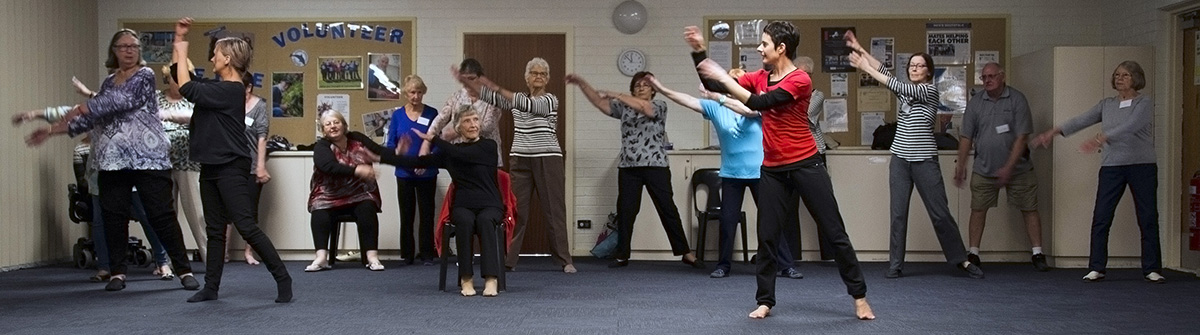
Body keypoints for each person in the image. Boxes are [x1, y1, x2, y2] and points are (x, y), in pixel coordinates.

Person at [689, 22, 874, 320]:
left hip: (806, 163)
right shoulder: (760, 76)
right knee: (768, 236)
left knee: (834, 231)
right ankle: (765, 300)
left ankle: (860, 296)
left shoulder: (799, 80)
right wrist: (699, 53)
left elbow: (762, 102)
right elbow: (713, 85)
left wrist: (724, 77)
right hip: (773, 169)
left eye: (764, 44)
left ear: (781, 48)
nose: (759, 49)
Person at [23, 28, 199, 293]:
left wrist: (83, 106)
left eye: (133, 46)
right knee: (113, 217)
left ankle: (183, 269)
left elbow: (120, 101)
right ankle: (117, 272)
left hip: (148, 159)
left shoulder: (145, 76)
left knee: (161, 215)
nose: (129, 50)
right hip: (112, 160)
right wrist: (51, 131)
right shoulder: (108, 82)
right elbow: (94, 118)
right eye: (123, 46)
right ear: (114, 51)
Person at [845, 30, 983, 280]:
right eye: (912, 65)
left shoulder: (929, 91)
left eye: (920, 66)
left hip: (924, 160)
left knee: (940, 213)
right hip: (900, 159)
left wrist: (865, 68)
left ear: (928, 71)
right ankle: (895, 264)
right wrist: (861, 49)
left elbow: (892, 82)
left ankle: (961, 260)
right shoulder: (906, 91)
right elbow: (887, 74)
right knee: (898, 214)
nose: (915, 69)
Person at [173, 17, 292, 303]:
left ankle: (283, 278)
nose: (212, 57)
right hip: (211, 166)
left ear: (227, 59)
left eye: (215, 53)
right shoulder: (218, 89)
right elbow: (185, 81)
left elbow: (186, 87)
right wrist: (179, 44)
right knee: (215, 231)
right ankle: (211, 288)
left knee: (246, 225)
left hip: (231, 166)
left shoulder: (232, 90)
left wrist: (181, 40)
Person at [644, 73, 804, 279]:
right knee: (727, 221)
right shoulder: (716, 108)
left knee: (770, 221)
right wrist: (662, 88)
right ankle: (723, 265)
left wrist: (715, 96)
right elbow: (688, 100)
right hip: (731, 174)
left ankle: (786, 265)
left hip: (760, 172)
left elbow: (747, 111)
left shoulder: (757, 104)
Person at [1031, 60, 1164, 283]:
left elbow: (1132, 125)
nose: (1119, 78)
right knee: (1102, 216)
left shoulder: (1144, 102)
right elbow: (1081, 120)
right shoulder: (1107, 104)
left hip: (1142, 166)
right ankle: (1097, 267)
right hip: (1112, 166)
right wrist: (1052, 132)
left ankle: (1151, 268)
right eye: (1117, 75)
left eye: (1125, 75)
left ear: (1136, 79)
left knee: (1148, 216)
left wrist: (1104, 136)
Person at [566, 72, 702, 270]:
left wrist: (616, 94)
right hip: (629, 167)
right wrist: (581, 83)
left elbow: (645, 108)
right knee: (626, 211)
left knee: (668, 209)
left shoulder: (659, 106)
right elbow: (599, 102)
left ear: (653, 90)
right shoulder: (624, 108)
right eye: (637, 85)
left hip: (656, 166)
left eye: (645, 85)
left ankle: (686, 253)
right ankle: (622, 255)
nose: (640, 87)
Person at [460, 58, 574, 273]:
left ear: (548, 79)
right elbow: (490, 96)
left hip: (548, 158)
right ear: (526, 77)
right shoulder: (517, 98)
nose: (538, 76)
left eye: (542, 74)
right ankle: (508, 260)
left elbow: (527, 105)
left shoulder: (550, 100)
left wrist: (496, 87)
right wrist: (469, 82)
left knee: (554, 210)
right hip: (520, 159)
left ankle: (564, 260)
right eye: (534, 73)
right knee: (515, 211)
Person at [391, 105, 505, 296]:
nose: (473, 124)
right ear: (459, 128)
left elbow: (464, 155)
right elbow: (421, 162)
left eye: (475, 120)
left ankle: (491, 279)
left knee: (486, 221)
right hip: (463, 204)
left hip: (490, 204)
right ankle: (466, 279)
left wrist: (434, 139)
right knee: (464, 221)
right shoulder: (451, 151)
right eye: (467, 121)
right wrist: (400, 154)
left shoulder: (488, 146)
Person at [954, 62, 1049, 272]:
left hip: (1019, 168)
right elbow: (966, 137)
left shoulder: (1017, 100)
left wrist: (1008, 167)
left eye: (991, 76)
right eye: (984, 77)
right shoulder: (976, 103)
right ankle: (974, 252)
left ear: (1002, 77)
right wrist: (961, 165)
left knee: (1029, 208)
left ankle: (1037, 253)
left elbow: (1022, 136)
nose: (987, 80)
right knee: (978, 209)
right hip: (984, 167)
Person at [306, 111, 389, 272]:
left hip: (359, 192)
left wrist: (399, 151)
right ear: (323, 130)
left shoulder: (357, 138)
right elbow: (328, 166)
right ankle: (321, 257)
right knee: (319, 209)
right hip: (329, 194)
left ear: (344, 125)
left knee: (367, 207)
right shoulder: (322, 146)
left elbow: (379, 151)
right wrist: (357, 170)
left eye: (336, 122)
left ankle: (372, 257)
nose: (333, 126)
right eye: (328, 124)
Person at [385, 75, 440, 266]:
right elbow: (390, 144)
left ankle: (426, 254)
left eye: (419, 92)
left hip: (427, 172)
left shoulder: (432, 113)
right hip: (404, 173)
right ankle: (407, 254)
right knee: (406, 214)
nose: (415, 96)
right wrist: (399, 150)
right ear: (405, 94)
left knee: (427, 214)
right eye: (411, 92)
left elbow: (438, 144)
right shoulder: (398, 115)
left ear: (423, 92)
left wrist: (424, 163)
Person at [157, 61, 208, 265]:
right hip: (161, 164)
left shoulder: (194, 99)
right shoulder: (156, 99)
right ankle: (165, 262)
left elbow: (201, 122)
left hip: (189, 162)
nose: (178, 82)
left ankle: (210, 259)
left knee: (198, 214)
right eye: (174, 77)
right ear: (167, 78)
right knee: (165, 215)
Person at [222, 75, 270, 265]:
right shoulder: (226, 104)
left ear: (248, 88)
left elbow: (262, 137)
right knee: (226, 212)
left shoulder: (259, 107)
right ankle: (223, 253)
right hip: (229, 164)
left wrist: (260, 166)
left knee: (249, 211)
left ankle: (248, 253)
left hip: (250, 165)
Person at [427, 59, 503, 166]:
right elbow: (441, 118)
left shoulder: (492, 98)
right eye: (464, 80)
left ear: (480, 78)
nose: (468, 83)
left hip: (485, 157)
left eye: (471, 78)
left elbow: (487, 127)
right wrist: (428, 140)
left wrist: (456, 132)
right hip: (461, 155)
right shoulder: (456, 96)